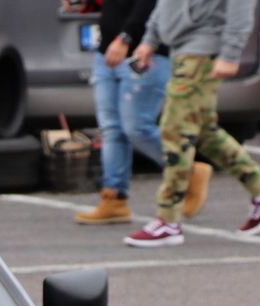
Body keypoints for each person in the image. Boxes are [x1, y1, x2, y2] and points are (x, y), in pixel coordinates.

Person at [122, 0, 260, 247]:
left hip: (202, 48)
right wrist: (150, 39)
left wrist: (230, 53)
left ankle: (168, 219)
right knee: (203, 131)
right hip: (183, 47)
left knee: (175, 131)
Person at [71, 0, 212, 226]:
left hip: (144, 52)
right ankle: (114, 198)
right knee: (111, 129)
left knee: (137, 127)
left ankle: (186, 170)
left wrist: (126, 37)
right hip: (107, 51)